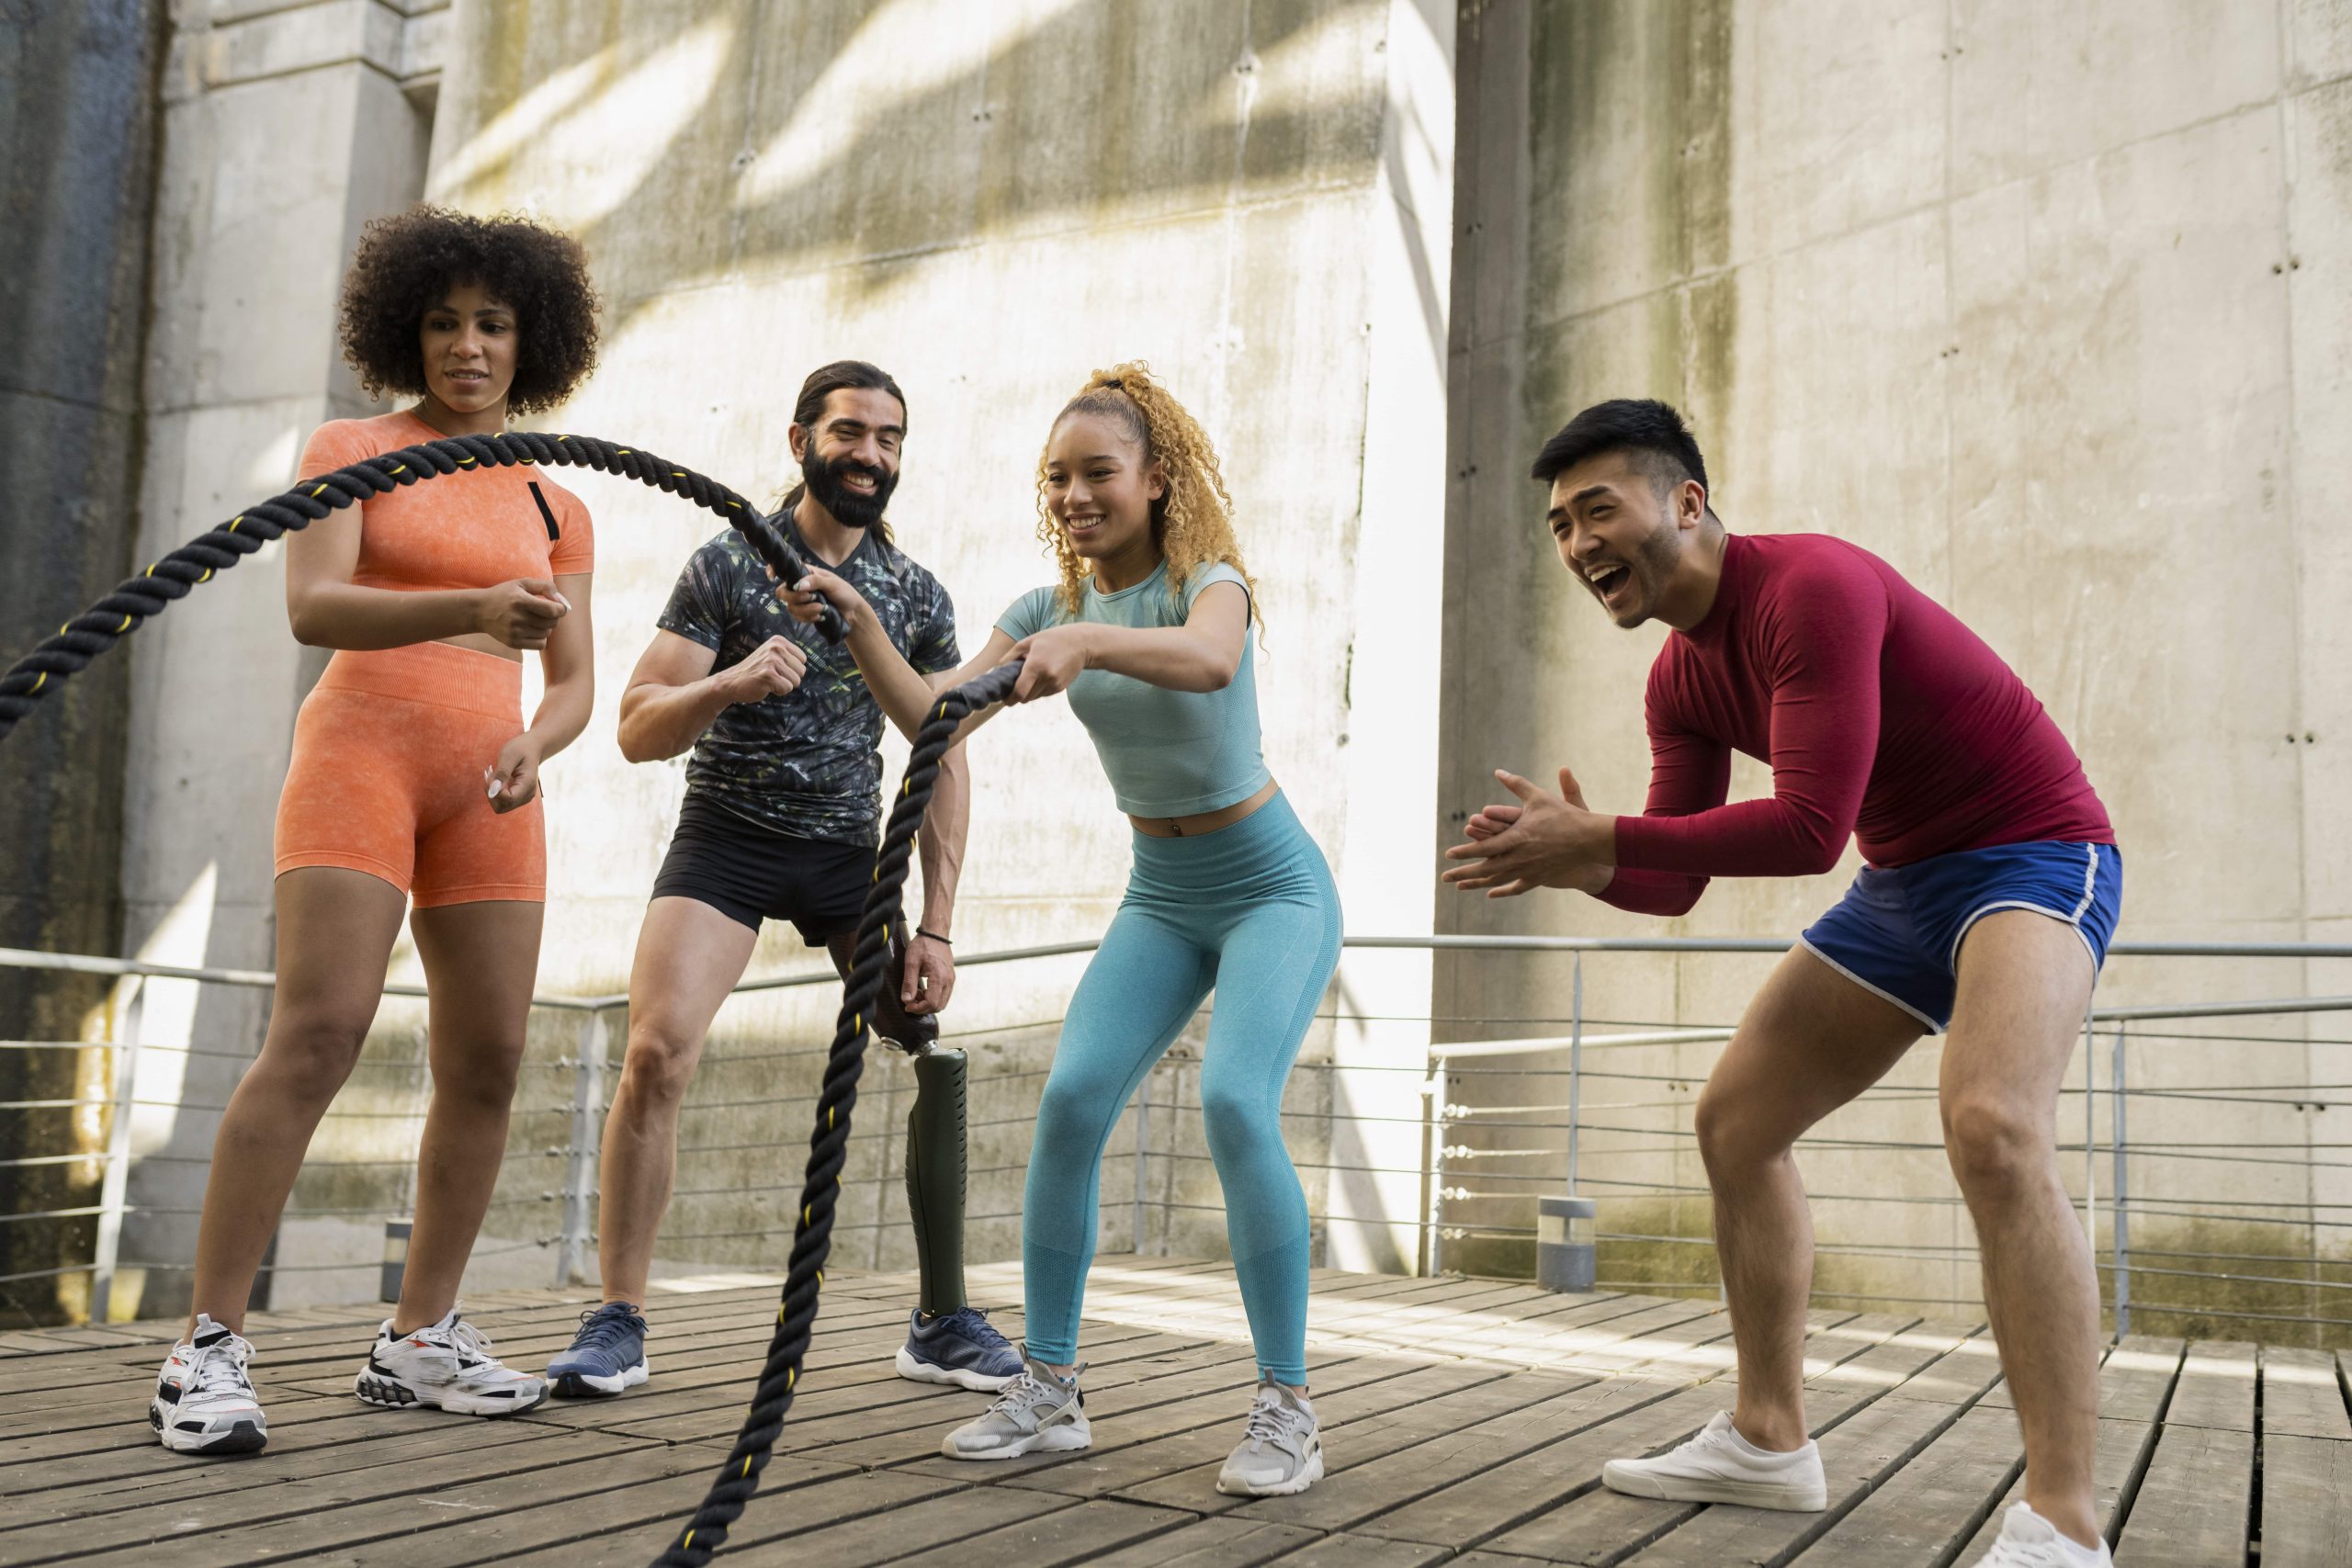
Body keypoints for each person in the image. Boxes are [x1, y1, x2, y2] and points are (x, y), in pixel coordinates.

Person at [1444, 399, 2121, 1568]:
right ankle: (1768, 1437)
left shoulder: (1813, 586)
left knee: (1995, 1128)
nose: (1575, 546)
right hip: (1904, 883)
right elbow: (1668, 880)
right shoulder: (1676, 681)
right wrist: (1580, 861)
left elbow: (1808, 829)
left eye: (1596, 509)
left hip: (2034, 853)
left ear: (1687, 503)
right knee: (1736, 1122)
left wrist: (1597, 833)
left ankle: (2061, 1521)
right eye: (1557, 527)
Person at [787, 362, 1342, 1499]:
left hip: (1271, 887)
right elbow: (934, 712)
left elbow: (1209, 659)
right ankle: (1049, 1388)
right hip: (1162, 895)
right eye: (1058, 478)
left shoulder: (1207, 580)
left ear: (1154, 479)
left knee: (1235, 1100)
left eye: (1100, 473)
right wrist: (855, 623)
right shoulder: (1045, 610)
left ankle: (1287, 1406)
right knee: (1072, 1098)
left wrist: (1090, 647)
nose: (1077, 495)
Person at [149, 206, 604, 1454]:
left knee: (493, 1055)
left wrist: (539, 739)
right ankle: (205, 1344)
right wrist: (467, 598)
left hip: (490, 781)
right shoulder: (351, 444)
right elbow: (314, 605)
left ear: (532, 341)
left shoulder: (556, 500)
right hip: (363, 754)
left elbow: (573, 678)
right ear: (409, 329)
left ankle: (418, 1334)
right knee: (319, 1032)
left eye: (495, 323)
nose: (469, 344)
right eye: (447, 320)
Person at [540, 360, 1020, 1401]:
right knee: (656, 1053)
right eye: (849, 433)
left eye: (889, 439)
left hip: (849, 852)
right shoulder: (724, 565)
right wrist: (732, 677)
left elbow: (941, 752)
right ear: (799, 440)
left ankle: (940, 1317)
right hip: (728, 836)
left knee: (922, 1040)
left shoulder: (915, 592)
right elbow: (632, 727)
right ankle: (618, 1317)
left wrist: (936, 924)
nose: (870, 455)